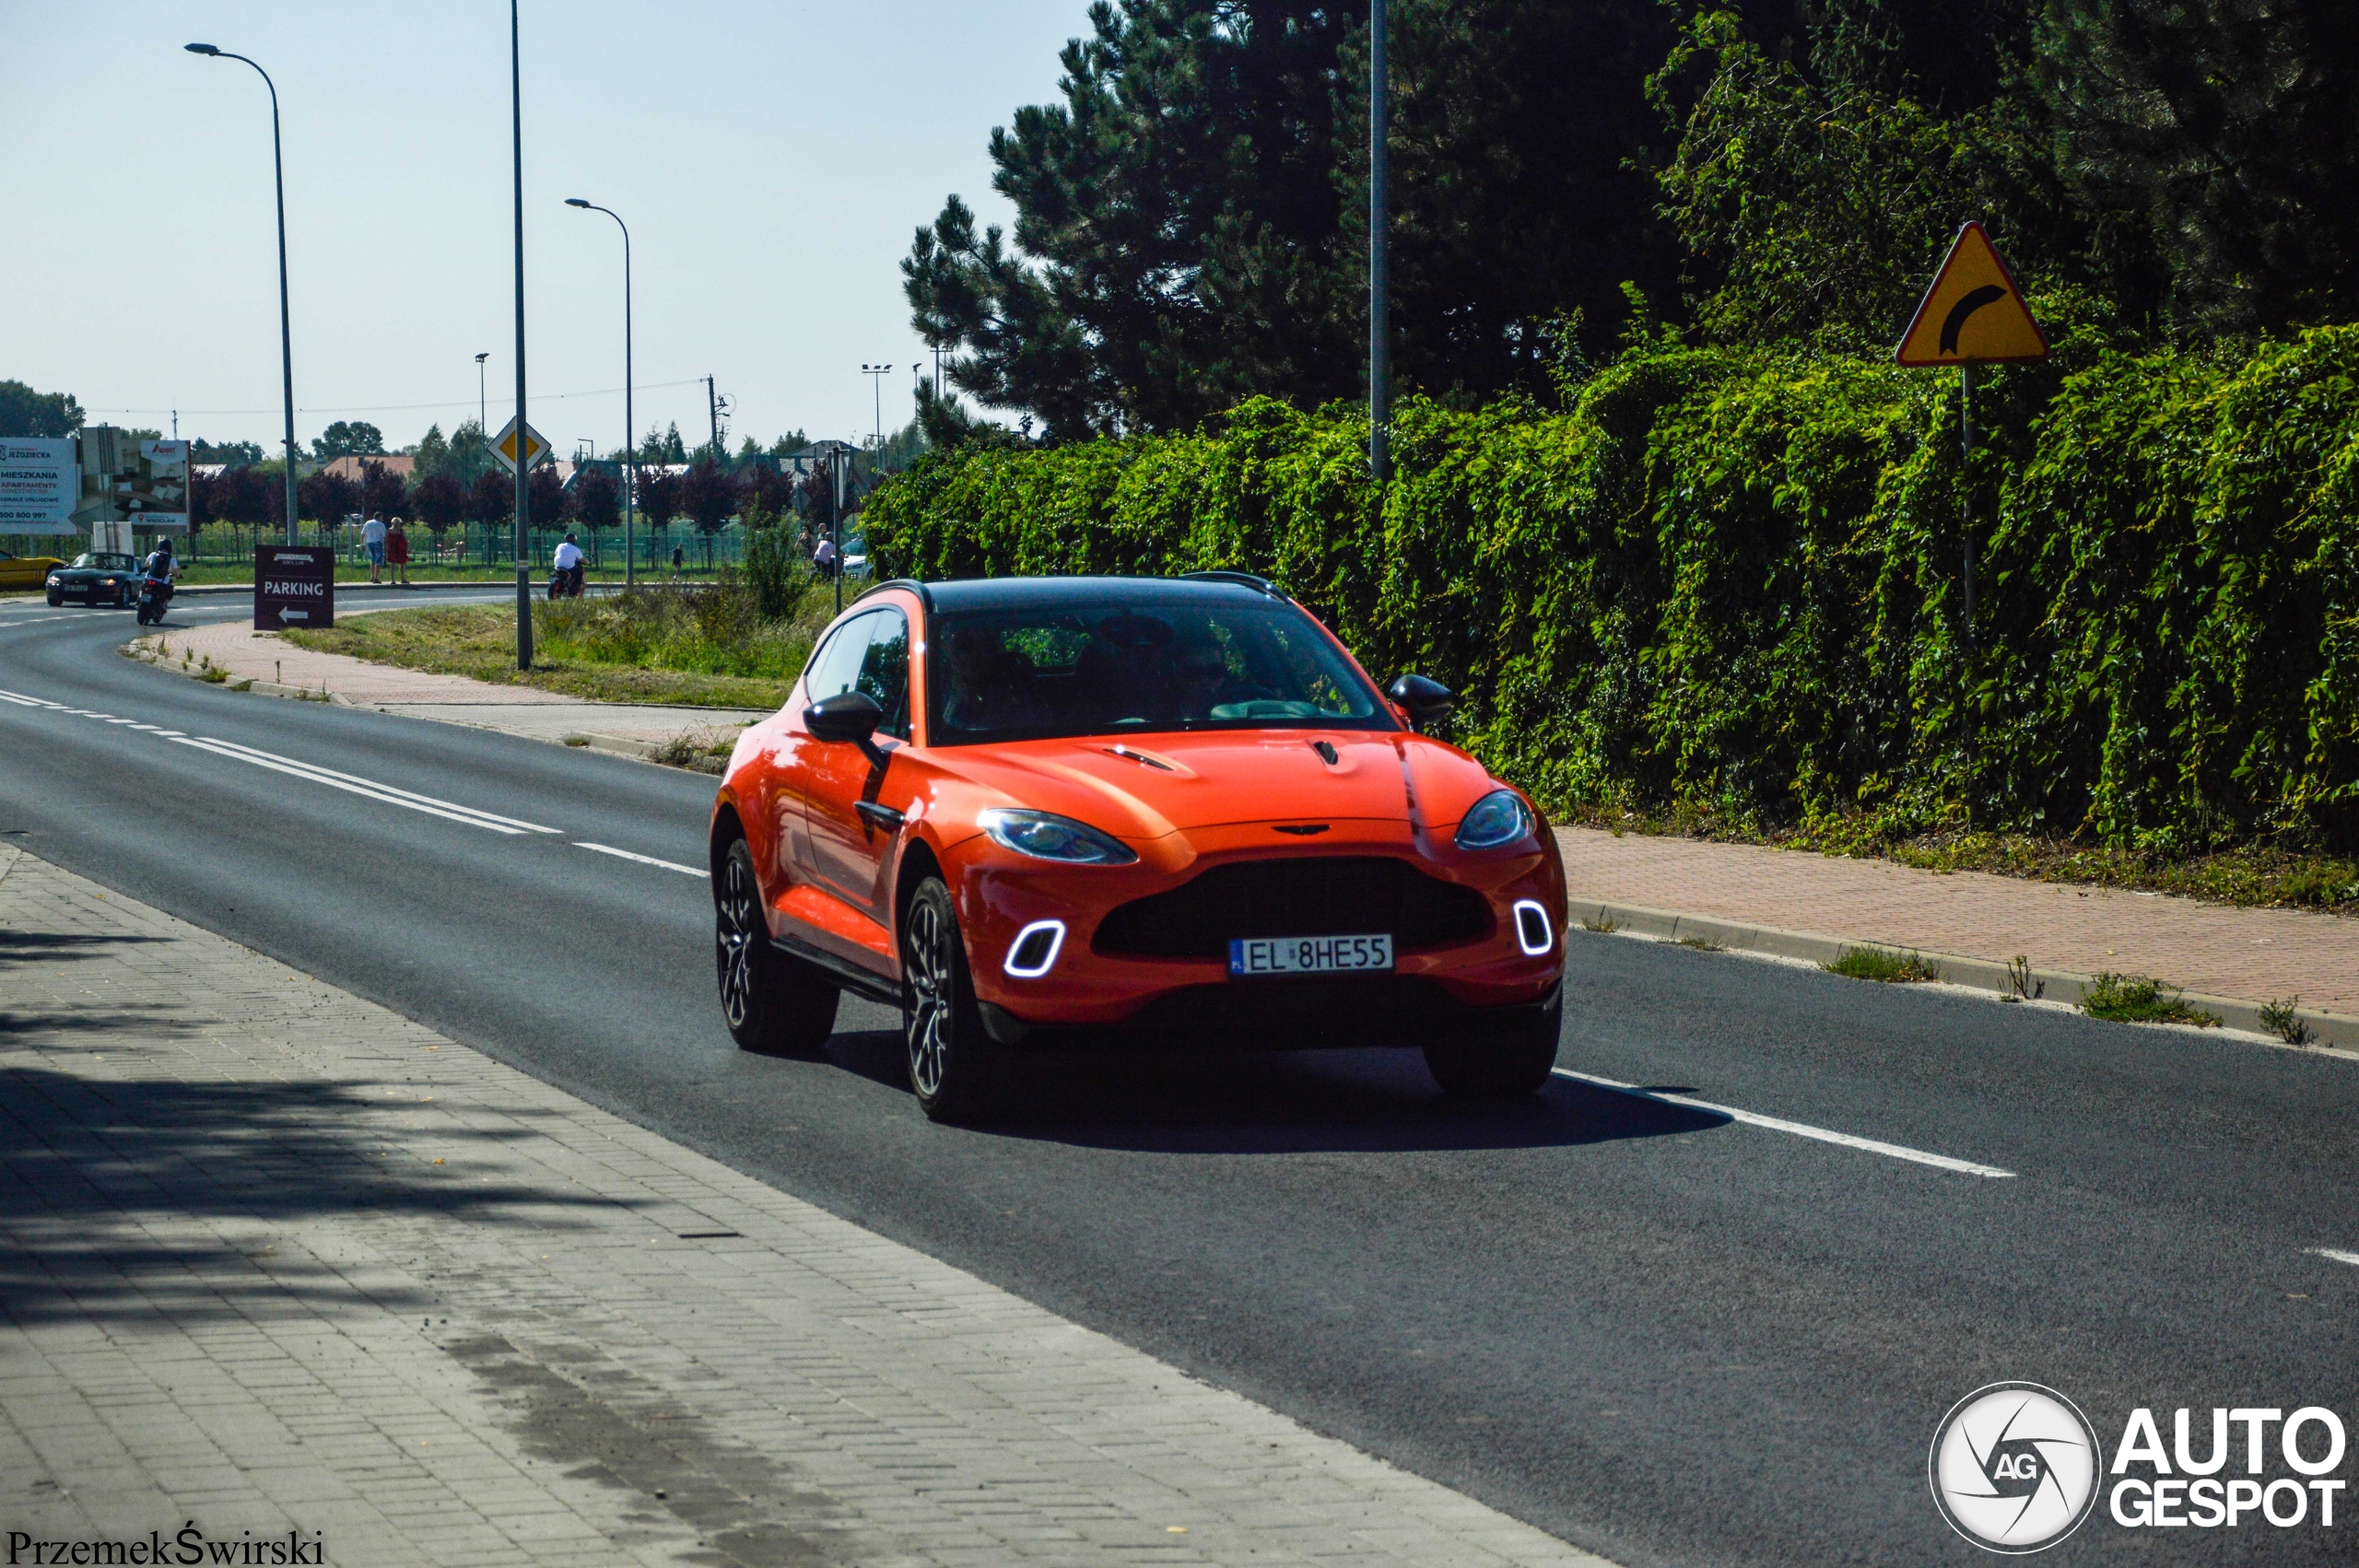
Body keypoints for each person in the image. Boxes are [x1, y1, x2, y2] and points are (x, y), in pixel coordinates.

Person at [551, 532, 585, 600]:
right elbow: (582, 559)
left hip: (557, 566)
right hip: (568, 567)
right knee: (579, 572)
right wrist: (589, 563)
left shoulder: (560, 545)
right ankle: (572, 590)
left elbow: (556, 553)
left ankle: (566, 586)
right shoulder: (575, 549)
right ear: (574, 540)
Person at [360, 513, 387, 583]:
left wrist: (362, 543)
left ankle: (372, 575)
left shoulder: (368, 523)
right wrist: (385, 545)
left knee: (373, 559)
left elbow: (363, 534)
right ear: (379, 516)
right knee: (378, 560)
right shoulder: (381, 524)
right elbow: (384, 536)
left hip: (369, 542)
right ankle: (376, 577)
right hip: (378, 542)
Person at [386, 516, 411, 587]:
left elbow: (405, 540)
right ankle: (394, 580)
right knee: (393, 564)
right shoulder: (389, 530)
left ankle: (401, 579)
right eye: (396, 522)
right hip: (393, 549)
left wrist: (407, 548)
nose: (398, 524)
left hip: (400, 549)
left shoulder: (401, 531)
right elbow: (386, 541)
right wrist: (386, 549)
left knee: (401, 563)